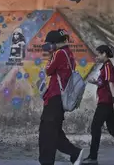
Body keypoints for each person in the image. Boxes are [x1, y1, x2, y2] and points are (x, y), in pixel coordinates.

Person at [82, 45, 114, 165]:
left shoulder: (108, 67)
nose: (97, 56)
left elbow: (111, 84)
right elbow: (105, 83)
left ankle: (93, 157)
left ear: (104, 54)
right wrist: (96, 82)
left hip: (106, 103)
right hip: (108, 103)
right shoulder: (105, 67)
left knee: (95, 127)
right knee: (113, 130)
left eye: (99, 54)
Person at [39, 29, 84, 165]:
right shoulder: (68, 53)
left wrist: (50, 56)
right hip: (58, 98)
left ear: (53, 43)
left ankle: (47, 162)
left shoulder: (59, 54)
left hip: (55, 97)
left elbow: (48, 70)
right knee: (54, 132)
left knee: (47, 132)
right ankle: (75, 153)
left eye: (49, 44)